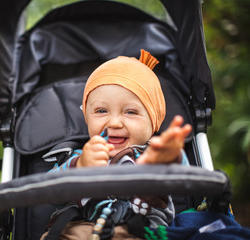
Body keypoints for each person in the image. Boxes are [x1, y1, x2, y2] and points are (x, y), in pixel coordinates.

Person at [40, 49, 192, 240]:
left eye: (130, 112)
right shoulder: (78, 156)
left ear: (153, 123)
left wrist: (170, 159)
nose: (114, 123)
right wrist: (79, 167)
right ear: (86, 117)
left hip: (139, 232)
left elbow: (185, 180)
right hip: (77, 228)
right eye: (101, 110)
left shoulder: (155, 155)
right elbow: (47, 191)